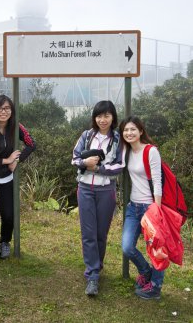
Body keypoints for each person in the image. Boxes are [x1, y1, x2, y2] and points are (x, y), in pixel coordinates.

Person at [72, 100, 125, 296]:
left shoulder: (118, 139)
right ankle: (93, 274)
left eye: (107, 116)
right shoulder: (87, 136)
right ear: (94, 117)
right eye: (99, 116)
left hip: (106, 191)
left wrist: (99, 168)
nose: (102, 120)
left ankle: (97, 265)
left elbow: (120, 165)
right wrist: (85, 163)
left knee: (101, 234)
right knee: (88, 233)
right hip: (85, 188)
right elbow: (74, 158)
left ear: (113, 118)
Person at [0, 94, 36, 263]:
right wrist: (6, 160)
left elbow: (31, 144)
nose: (3, 112)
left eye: (7, 108)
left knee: (8, 214)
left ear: (12, 110)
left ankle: (5, 242)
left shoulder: (15, 127)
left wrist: (17, 160)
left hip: (5, 178)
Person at [119, 115, 164, 300]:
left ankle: (155, 287)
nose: (129, 133)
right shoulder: (127, 151)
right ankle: (146, 272)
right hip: (133, 207)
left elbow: (158, 181)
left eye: (132, 129)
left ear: (140, 131)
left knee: (155, 249)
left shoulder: (150, 151)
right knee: (127, 247)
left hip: (150, 207)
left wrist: (157, 210)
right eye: (126, 130)